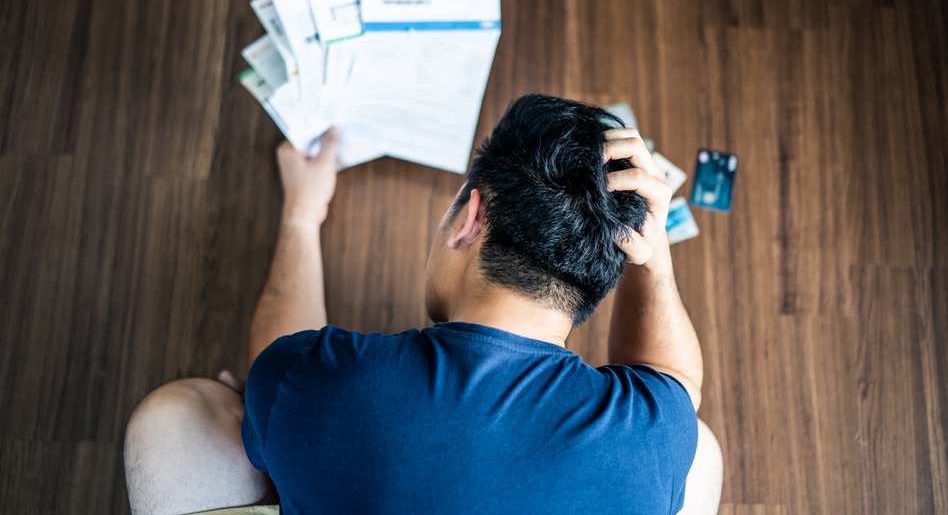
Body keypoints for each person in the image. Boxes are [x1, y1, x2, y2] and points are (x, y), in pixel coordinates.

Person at [124, 94, 723, 515]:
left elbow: (281, 359)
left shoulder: (323, 384)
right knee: (699, 454)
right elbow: (671, 383)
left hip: (303, 410)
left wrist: (301, 216)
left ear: (471, 218)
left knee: (177, 415)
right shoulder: (650, 430)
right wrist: (656, 258)